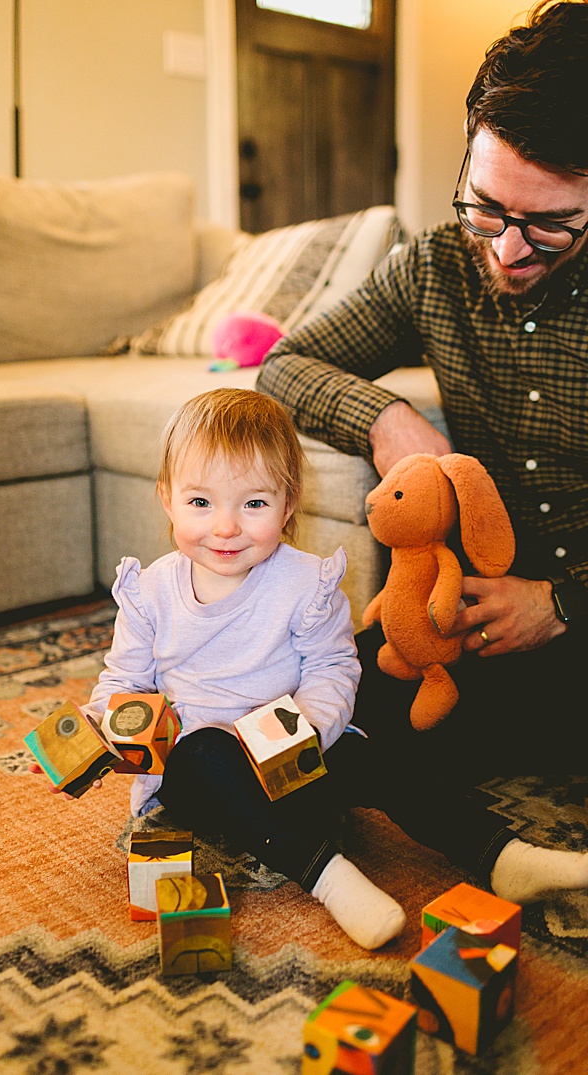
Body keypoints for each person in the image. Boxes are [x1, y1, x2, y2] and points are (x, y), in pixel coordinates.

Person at [82, 389, 588, 950]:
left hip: (293, 763)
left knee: (379, 754)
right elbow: (122, 685)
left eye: (253, 505)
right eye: (200, 503)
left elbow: (333, 668)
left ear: (288, 503)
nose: (225, 527)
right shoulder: (149, 593)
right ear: (167, 499)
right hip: (205, 785)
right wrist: (90, 737)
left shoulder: (308, 584)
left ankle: (500, 855)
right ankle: (332, 879)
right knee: (201, 751)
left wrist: (309, 731)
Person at [257, 0, 588, 780]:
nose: (506, 248)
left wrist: (562, 603)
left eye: (548, 224)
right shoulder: (433, 267)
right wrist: (384, 416)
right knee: (328, 715)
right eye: (486, 206)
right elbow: (284, 364)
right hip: (471, 621)